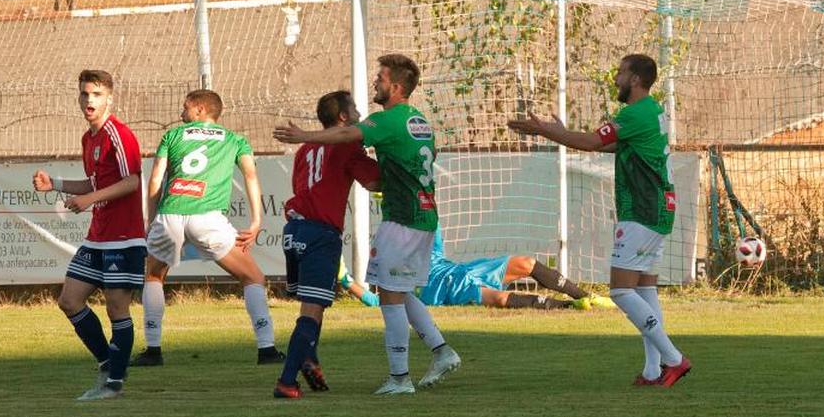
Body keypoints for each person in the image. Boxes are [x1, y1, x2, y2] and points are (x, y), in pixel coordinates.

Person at [274, 54, 460, 396]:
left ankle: (400, 378)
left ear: (397, 87)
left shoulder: (385, 121)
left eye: (381, 77)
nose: (375, 82)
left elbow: (348, 136)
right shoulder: (418, 120)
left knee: (387, 295)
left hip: (395, 219)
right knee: (396, 290)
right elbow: (376, 176)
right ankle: (441, 351)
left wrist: (304, 134)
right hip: (419, 214)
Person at [508, 53, 691, 387]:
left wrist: (545, 131)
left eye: (621, 73)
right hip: (658, 208)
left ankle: (674, 359)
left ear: (636, 79)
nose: (616, 79)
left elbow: (592, 142)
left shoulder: (634, 113)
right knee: (644, 289)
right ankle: (653, 371)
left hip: (643, 210)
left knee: (620, 291)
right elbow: (612, 146)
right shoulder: (654, 111)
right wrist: (561, 132)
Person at [134, 89, 282, 366]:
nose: (180, 114)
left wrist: (151, 220)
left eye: (185, 108)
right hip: (208, 218)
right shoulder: (235, 139)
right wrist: (256, 220)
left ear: (201, 109)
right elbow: (250, 175)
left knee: (154, 277)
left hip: (171, 214)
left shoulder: (174, 136)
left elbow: (155, 180)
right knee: (253, 278)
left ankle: (152, 351)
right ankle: (267, 349)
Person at [33, 70, 145, 400]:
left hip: (124, 237)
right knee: (69, 300)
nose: (88, 100)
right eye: (84, 94)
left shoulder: (119, 134)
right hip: (98, 236)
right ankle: (110, 364)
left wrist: (88, 200)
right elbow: (96, 184)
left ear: (109, 98)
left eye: (95, 94)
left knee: (116, 309)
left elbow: (132, 181)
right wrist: (56, 184)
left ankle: (114, 384)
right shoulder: (89, 138)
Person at [274, 91, 382, 399]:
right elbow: (375, 182)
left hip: (294, 229)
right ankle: (286, 381)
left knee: (312, 304)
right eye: (356, 111)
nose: (360, 116)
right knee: (312, 310)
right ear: (344, 118)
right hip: (320, 233)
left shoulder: (305, 149)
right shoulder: (347, 144)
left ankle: (309, 358)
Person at [422, 227, 614, 310]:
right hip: (441, 286)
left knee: (526, 263)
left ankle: (585, 297)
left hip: (460, 269)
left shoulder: (426, 222)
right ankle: (570, 307)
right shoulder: (394, 241)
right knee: (499, 298)